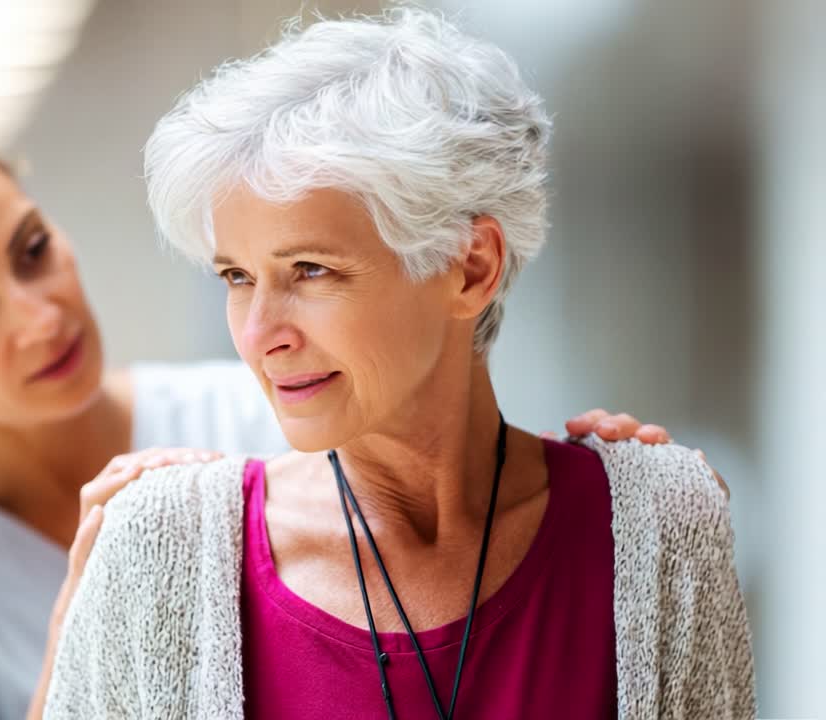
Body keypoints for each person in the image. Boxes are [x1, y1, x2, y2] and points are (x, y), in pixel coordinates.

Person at [0, 95, 712, 719]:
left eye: (32, 249)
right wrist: (94, 619)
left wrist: (592, 493)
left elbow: (460, 504)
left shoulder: (268, 408)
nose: (38, 316)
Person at [42, 8, 755, 719]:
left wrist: (666, 511)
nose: (261, 334)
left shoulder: (653, 532)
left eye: (311, 270)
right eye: (236, 277)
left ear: (471, 267)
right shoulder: (165, 555)